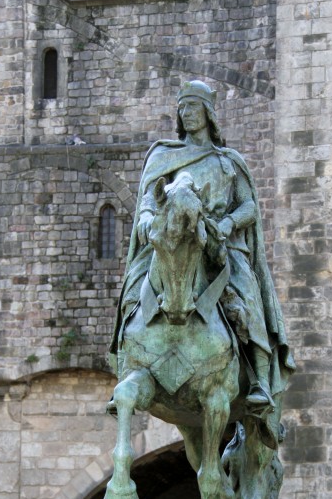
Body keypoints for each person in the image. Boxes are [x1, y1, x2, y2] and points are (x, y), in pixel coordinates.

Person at [109, 81, 294, 438]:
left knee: (246, 296)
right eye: (182, 108)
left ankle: (258, 382)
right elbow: (150, 197)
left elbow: (249, 205)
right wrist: (147, 219)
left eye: (193, 107)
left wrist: (227, 223)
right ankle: (124, 359)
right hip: (174, 239)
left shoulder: (227, 162)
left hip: (220, 245)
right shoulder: (164, 156)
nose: (186, 113)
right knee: (135, 286)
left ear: (208, 113)